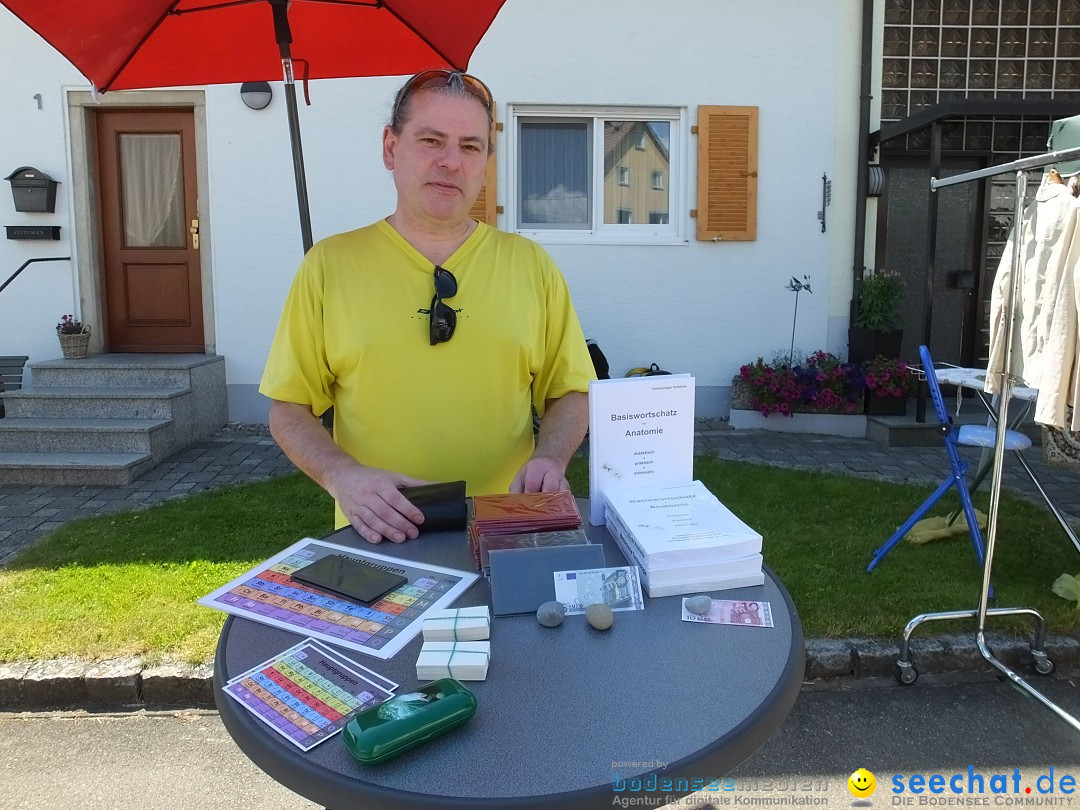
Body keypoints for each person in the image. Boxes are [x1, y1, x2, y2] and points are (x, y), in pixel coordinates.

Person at [260, 69, 595, 545]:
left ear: (485, 162)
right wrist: (342, 477)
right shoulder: (329, 266)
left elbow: (571, 391)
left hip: (508, 529)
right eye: (431, 140)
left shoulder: (531, 266)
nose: (451, 162)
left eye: (470, 146)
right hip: (380, 532)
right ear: (390, 148)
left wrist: (551, 459)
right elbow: (288, 408)